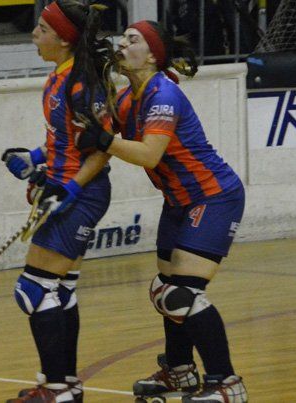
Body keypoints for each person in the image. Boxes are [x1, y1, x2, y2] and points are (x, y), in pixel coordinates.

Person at [76, 20, 248, 402]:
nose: (122, 43)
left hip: (212, 197)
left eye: (132, 39)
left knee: (180, 294)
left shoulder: (163, 94)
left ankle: (226, 383)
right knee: (165, 290)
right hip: (178, 202)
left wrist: (104, 138)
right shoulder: (128, 99)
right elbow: (98, 142)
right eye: (122, 37)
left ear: (152, 55)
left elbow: (149, 154)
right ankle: (179, 371)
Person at [0, 2, 118, 402]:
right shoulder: (59, 77)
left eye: (43, 28)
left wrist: (69, 189)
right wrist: (34, 158)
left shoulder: (82, 84)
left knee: (33, 289)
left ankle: (56, 390)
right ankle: (65, 384)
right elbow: (65, 139)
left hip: (81, 194)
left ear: (64, 39)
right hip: (67, 189)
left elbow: (101, 151)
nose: (34, 34)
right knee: (61, 289)